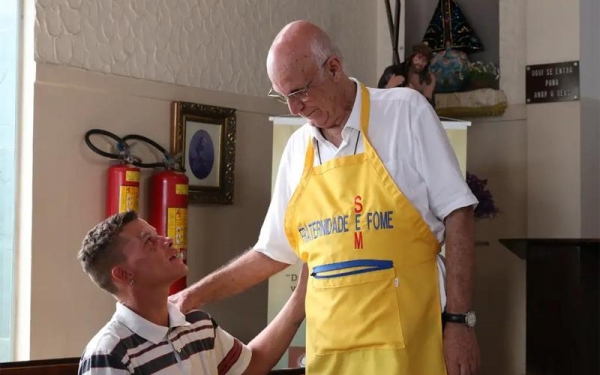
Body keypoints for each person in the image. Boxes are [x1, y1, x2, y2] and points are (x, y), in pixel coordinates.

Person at [171, 20, 480, 375]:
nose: (294, 109)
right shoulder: (296, 149)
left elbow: (459, 213)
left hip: (412, 350)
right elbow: (270, 253)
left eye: (300, 91)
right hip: (330, 357)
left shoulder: (404, 113)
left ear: (333, 68)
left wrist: (460, 321)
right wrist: (192, 297)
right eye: (282, 95)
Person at [77, 210, 307, 375]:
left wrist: (301, 298)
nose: (167, 240)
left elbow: (251, 365)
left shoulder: (197, 325)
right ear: (123, 274)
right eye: (149, 241)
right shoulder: (109, 353)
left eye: (158, 234)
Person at [406, 43, 437, 107]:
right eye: (419, 57)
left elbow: (427, 104)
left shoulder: (429, 78)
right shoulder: (401, 71)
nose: (420, 63)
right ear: (412, 56)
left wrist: (414, 94)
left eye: (424, 60)